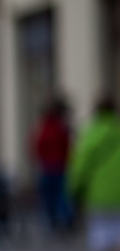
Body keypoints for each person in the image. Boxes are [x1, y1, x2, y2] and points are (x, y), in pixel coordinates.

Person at [67, 95, 120, 251]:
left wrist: (74, 188)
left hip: (97, 194)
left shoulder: (90, 134)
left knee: (100, 233)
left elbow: (80, 165)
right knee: (118, 231)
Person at [31, 97, 74, 234]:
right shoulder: (61, 127)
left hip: (48, 166)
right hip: (59, 166)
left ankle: (54, 222)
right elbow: (67, 145)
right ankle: (63, 221)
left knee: (51, 197)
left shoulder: (45, 127)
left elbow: (38, 145)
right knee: (61, 196)